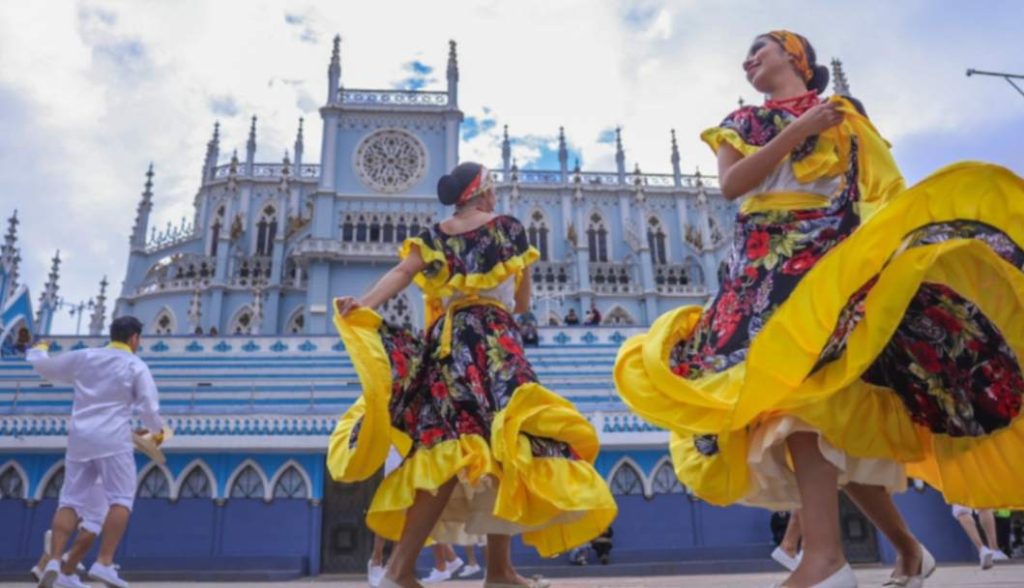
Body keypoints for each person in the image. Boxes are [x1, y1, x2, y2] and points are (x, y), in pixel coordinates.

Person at [614, 29, 1024, 588]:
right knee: (804, 409)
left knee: (815, 410)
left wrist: (884, 261)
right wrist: (801, 131)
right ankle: (890, 553)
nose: (749, 58)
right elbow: (734, 184)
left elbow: (878, 188)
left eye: (762, 47)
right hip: (764, 269)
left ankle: (837, 559)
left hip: (830, 266)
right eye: (745, 55)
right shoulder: (742, 122)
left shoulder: (844, 115)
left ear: (795, 56)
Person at [328, 162, 617, 588]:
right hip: (495, 343)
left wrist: (364, 305)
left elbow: (401, 274)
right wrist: (522, 270)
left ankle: (423, 569)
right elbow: (521, 304)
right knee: (507, 442)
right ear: (482, 191)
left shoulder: (433, 235)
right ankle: (446, 570)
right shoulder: (508, 229)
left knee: (447, 449)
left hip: (448, 345)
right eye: (493, 188)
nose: (495, 195)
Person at [29, 316, 165, 588]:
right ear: (135, 339)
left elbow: (45, 367)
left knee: (70, 500)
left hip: (79, 439)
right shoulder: (135, 365)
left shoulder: (85, 357)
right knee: (121, 499)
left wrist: (39, 347)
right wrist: (158, 433)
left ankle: (55, 561)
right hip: (113, 439)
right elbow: (149, 407)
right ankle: (104, 563)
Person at [30, 479, 108, 587]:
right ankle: (68, 564)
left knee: (72, 511)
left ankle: (44, 564)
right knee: (95, 521)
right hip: (99, 477)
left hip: (74, 475)